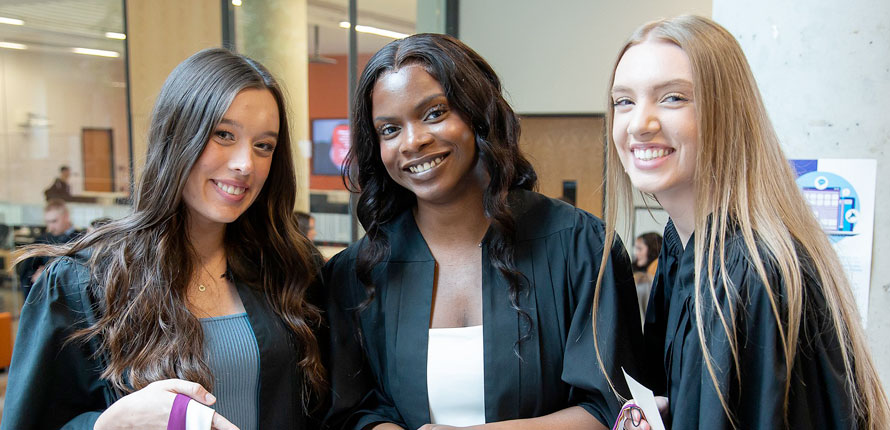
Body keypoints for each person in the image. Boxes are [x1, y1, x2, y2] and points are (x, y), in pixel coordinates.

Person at [324, 33, 643, 430]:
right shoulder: (357, 273)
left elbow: (612, 408)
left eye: (434, 113)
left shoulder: (580, 247)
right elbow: (348, 413)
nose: (413, 141)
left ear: (479, 114)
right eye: (389, 129)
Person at [4, 48, 325, 429]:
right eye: (223, 135)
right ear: (177, 136)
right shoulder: (83, 282)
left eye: (263, 146)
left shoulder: (288, 266)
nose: (245, 164)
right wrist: (109, 424)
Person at [597, 15, 889, 429]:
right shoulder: (685, 249)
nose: (639, 124)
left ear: (726, 113)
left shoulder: (748, 271)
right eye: (624, 101)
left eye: (674, 98)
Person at [17, 199, 82, 300]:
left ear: (66, 216)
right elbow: (26, 270)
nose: (50, 227)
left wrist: (50, 274)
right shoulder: (42, 241)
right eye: (48, 222)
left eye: (54, 221)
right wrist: (35, 277)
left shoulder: (81, 239)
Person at [630, 232, 662, 322]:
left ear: (652, 249)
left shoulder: (656, 270)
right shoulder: (642, 269)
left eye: (639, 249)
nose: (636, 254)